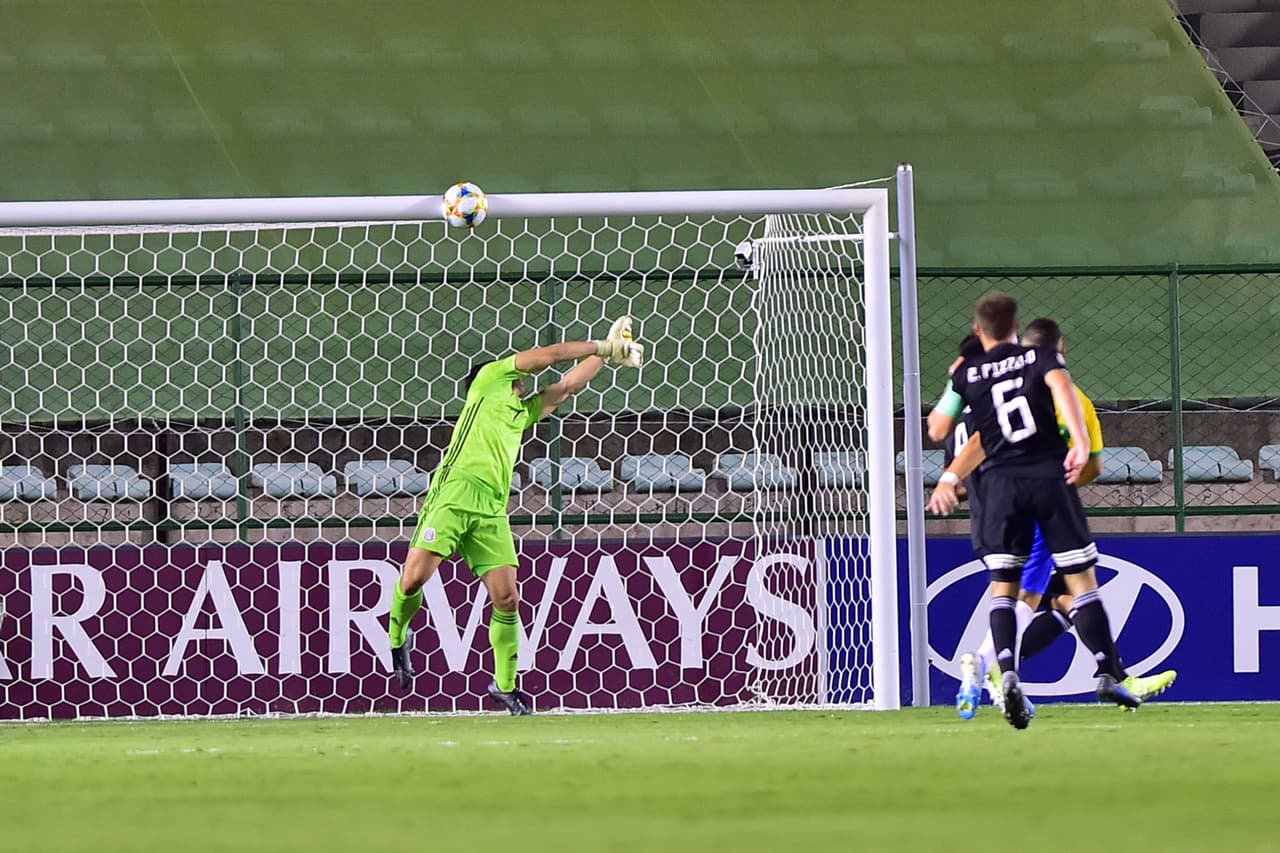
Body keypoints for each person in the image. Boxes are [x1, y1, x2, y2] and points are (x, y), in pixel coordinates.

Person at [386, 317, 643, 715]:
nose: (524, 379)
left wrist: (612, 355)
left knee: (507, 599)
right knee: (415, 577)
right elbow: (552, 356)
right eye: (520, 376)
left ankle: (505, 686)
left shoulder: (519, 414)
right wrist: (600, 346)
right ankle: (398, 637)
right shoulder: (488, 381)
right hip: (454, 495)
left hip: (491, 509)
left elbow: (568, 386)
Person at [929, 318, 1176, 718]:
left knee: (1064, 601)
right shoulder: (1055, 395)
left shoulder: (968, 411)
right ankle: (984, 665)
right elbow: (1090, 465)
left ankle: (1115, 673)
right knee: (1030, 596)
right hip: (1038, 510)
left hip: (987, 517)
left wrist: (957, 482)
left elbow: (961, 479)